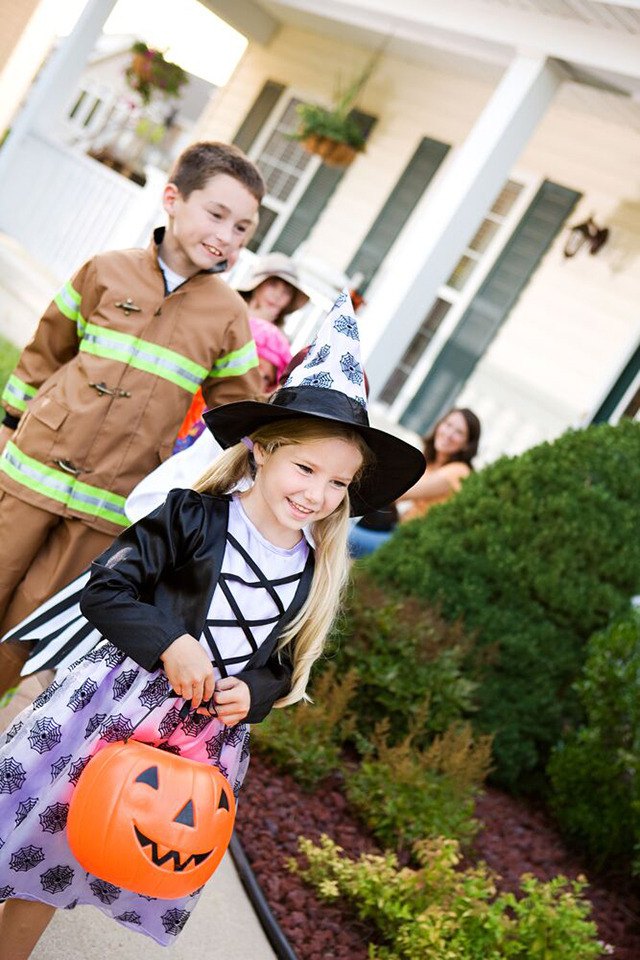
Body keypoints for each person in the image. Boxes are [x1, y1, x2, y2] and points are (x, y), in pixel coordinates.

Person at [0, 291, 424, 957]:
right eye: (306, 467)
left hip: (194, 747)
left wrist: (251, 694)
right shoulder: (193, 517)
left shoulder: (315, 568)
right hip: (111, 712)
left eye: (339, 484)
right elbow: (108, 591)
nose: (318, 494)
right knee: (32, 845)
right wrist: (170, 643)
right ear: (261, 449)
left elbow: (281, 665)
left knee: (62, 870)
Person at [0, 141, 265, 695]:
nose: (227, 235)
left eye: (243, 228)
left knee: (25, 632)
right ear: (173, 199)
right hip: (28, 473)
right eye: (216, 214)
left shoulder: (229, 315)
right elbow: (47, 350)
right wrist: (8, 422)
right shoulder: (105, 270)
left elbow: (239, 416)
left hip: (109, 501)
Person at [173, 252, 307, 453]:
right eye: (273, 285)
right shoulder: (228, 311)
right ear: (258, 284)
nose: (278, 295)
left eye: (286, 291)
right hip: (195, 394)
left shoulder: (281, 342)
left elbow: (270, 389)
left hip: (235, 412)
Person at [348, 407, 481, 558]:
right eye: (448, 425)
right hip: (398, 528)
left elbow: (400, 493)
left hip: (410, 542)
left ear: (467, 444)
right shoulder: (430, 463)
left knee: (341, 536)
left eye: (459, 432)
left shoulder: (459, 471)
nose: (449, 434)